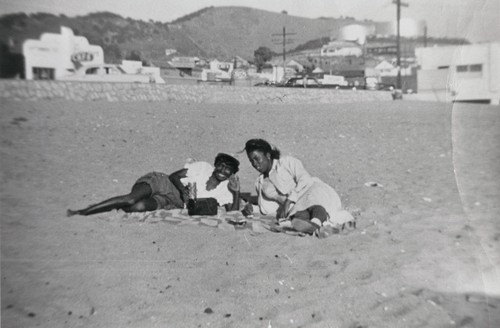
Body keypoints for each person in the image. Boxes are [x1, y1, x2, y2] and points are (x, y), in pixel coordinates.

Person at [67, 153, 241, 216]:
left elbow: (232, 213)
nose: (222, 171)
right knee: (129, 200)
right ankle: (85, 210)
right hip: (163, 183)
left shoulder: (225, 189)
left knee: (138, 207)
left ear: (231, 174)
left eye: (228, 170)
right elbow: (174, 176)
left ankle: (111, 207)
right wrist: (186, 192)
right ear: (215, 164)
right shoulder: (203, 167)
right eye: (221, 165)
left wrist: (237, 192)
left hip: (173, 203)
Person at [242, 139, 354, 236]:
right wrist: (252, 208)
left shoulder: (286, 162)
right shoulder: (260, 183)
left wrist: (289, 200)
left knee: (315, 205)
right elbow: (268, 208)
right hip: (295, 208)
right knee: (299, 215)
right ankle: (313, 226)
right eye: (251, 161)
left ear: (268, 155)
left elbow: (305, 179)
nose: (255, 164)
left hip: (309, 190)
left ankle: (315, 224)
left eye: (257, 159)